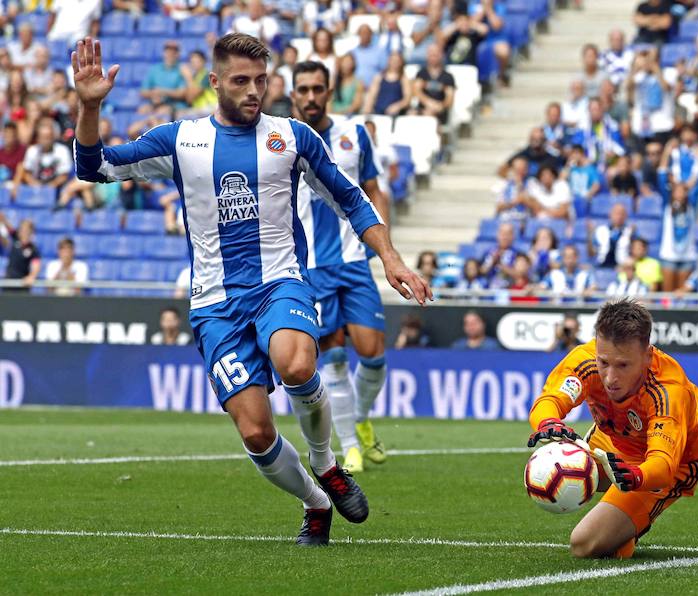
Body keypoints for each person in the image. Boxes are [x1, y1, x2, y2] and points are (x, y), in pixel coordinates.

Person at [72, 34, 430, 546]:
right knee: (257, 434)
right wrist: (89, 107)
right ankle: (315, 500)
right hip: (215, 306)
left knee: (298, 363)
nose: (253, 91)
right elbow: (94, 167)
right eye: (241, 81)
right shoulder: (181, 139)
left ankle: (327, 463)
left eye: (261, 80)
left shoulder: (292, 136)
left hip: (280, 283)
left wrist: (391, 259)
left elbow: (350, 197)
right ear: (214, 82)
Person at [527, 299, 698, 559]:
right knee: (557, 469)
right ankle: (620, 524)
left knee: (583, 544)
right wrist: (549, 423)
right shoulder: (586, 360)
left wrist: (635, 477)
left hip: (669, 463)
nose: (610, 377)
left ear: (647, 356)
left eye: (623, 365)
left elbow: (662, 466)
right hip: (610, 441)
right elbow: (550, 401)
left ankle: (628, 530)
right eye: (604, 363)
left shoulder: (668, 390)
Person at [292, 61, 395, 476]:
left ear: (329, 90)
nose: (312, 96)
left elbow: (373, 191)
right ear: (294, 94)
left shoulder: (354, 135)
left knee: (372, 354)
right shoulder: (279, 139)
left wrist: (384, 245)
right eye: (304, 89)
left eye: (318, 88)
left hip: (354, 261)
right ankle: (351, 447)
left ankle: (359, 418)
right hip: (313, 268)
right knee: (332, 356)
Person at [11, 119, 73, 200]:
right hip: (35, 189)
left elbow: (64, 176)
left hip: (58, 190)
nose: (46, 140)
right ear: (38, 138)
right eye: (43, 137)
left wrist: (50, 186)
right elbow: (26, 173)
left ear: (53, 136)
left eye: (48, 137)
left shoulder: (62, 151)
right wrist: (35, 184)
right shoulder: (32, 150)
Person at [140, 40, 188, 114]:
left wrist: (163, 92)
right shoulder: (154, 69)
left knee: (163, 111)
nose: (170, 54)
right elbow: (143, 91)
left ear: (178, 54)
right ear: (164, 53)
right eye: (168, 51)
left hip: (174, 105)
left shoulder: (182, 69)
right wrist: (154, 94)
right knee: (142, 110)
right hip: (155, 104)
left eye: (174, 52)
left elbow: (182, 93)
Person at [413, 44, 455, 124]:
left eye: (435, 55)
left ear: (441, 55)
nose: (433, 57)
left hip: (440, 111)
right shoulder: (421, 74)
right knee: (411, 114)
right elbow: (416, 91)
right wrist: (428, 103)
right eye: (431, 54)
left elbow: (450, 98)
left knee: (429, 115)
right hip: (423, 108)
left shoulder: (448, 77)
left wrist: (440, 106)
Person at [363, 52, 412, 116]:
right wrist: (367, 108)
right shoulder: (379, 77)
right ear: (388, 61)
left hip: (395, 114)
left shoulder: (403, 79)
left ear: (401, 62)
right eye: (393, 60)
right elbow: (372, 95)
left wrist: (397, 106)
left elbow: (407, 99)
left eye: (397, 61)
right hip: (378, 112)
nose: (395, 63)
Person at [0, 215, 40, 292]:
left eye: (28, 230)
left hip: (22, 285)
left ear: (32, 232)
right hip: (9, 283)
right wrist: (3, 219)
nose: (25, 232)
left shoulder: (33, 249)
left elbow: (36, 265)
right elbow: (7, 225)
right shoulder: (15, 238)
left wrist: (32, 276)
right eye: (23, 229)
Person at [588, 202, 633, 269]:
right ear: (610, 214)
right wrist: (590, 235)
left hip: (621, 267)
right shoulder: (600, 230)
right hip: (601, 265)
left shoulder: (630, 231)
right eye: (616, 213)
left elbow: (635, 253)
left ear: (626, 216)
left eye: (622, 214)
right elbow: (592, 253)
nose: (619, 216)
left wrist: (625, 265)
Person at [480, 221, 518, 288]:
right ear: (498, 235)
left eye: (508, 234)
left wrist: (501, 265)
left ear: (513, 236)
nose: (505, 237)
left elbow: (519, 275)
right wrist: (492, 262)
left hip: (508, 290)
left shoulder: (518, 254)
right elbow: (481, 272)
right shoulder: (488, 252)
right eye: (503, 233)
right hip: (488, 290)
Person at [351, 24, 388, 89]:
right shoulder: (352, 53)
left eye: (367, 33)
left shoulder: (380, 51)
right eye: (362, 33)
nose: (365, 36)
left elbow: (385, 70)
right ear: (358, 35)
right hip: (356, 89)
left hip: (375, 89)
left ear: (371, 35)